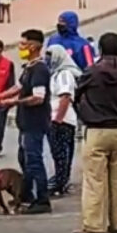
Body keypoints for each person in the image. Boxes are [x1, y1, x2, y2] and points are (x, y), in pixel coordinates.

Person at [73, 33, 117, 233]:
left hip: (96, 129)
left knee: (94, 180)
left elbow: (77, 93)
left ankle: (94, 225)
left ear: (100, 49)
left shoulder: (92, 72)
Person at [0, 30, 51, 214]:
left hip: (35, 123)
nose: (20, 47)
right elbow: (18, 87)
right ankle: (25, 194)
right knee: (25, 159)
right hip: (25, 123)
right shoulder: (29, 68)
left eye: (23, 44)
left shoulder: (40, 70)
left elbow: (38, 97)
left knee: (34, 161)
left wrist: (13, 102)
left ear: (33, 46)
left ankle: (42, 199)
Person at [45, 44, 81, 197]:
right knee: (58, 153)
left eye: (50, 55)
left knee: (62, 154)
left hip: (62, 120)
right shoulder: (56, 73)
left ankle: (60, 183)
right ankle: (60, 180)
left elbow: (65, 97)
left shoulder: (64, 74)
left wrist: (58, 119)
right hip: (56, 118)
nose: (47, 59)